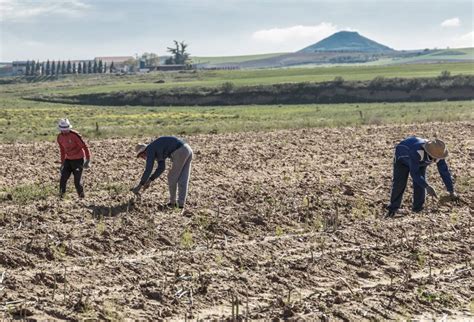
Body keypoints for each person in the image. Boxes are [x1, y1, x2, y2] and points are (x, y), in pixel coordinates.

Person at [386, 136, 458, 217]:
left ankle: (418, 208)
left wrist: (451, 190)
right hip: (403, 156)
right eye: (436, 157)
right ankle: (393, 209)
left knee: (420, 183)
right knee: (400, 182)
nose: (438, 160)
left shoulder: (438, 152)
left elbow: (444, 171)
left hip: (420, 161)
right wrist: (427, 187)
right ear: (430, 153)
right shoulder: (416, 151)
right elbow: (414, 174)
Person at [132, 136, 193, 209]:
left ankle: (172, 203)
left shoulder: (150, 149)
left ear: (144, 151)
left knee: (171, 177)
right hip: (188, 149)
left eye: (141, 156)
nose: (143, 158)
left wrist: (140, 185)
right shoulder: (157, 148)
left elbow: (148, 169)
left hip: (179, 150)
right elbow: (161, 168)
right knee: (183, 178)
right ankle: (181, 204)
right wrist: (150, 180)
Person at [56, 118, 91, 199]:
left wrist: (88, 160)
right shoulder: (59, 137)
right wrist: (62, 164)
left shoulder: (75, 135)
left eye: (66, 129)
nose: (64, 131)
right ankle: (61, 198)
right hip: (68, 160)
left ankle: (81, 198)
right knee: (63, 179)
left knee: (77, 181)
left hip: (78, 160)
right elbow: (62, 151)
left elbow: (84, 146)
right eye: (63, 129)